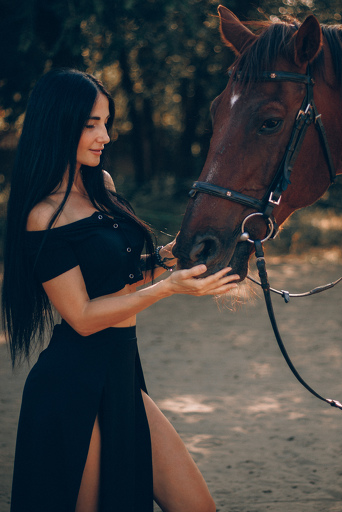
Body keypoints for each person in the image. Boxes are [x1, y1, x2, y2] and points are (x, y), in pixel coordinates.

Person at [1, 68, 239, 512]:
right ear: (59, 122)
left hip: (121, 374)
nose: (104, 135)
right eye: (91, 123)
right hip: (71, 383)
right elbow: (83, 316)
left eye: (106, 122)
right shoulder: (44, 215)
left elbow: (123, 279)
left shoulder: (103, 187)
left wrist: (173, 258)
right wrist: (169, 289)